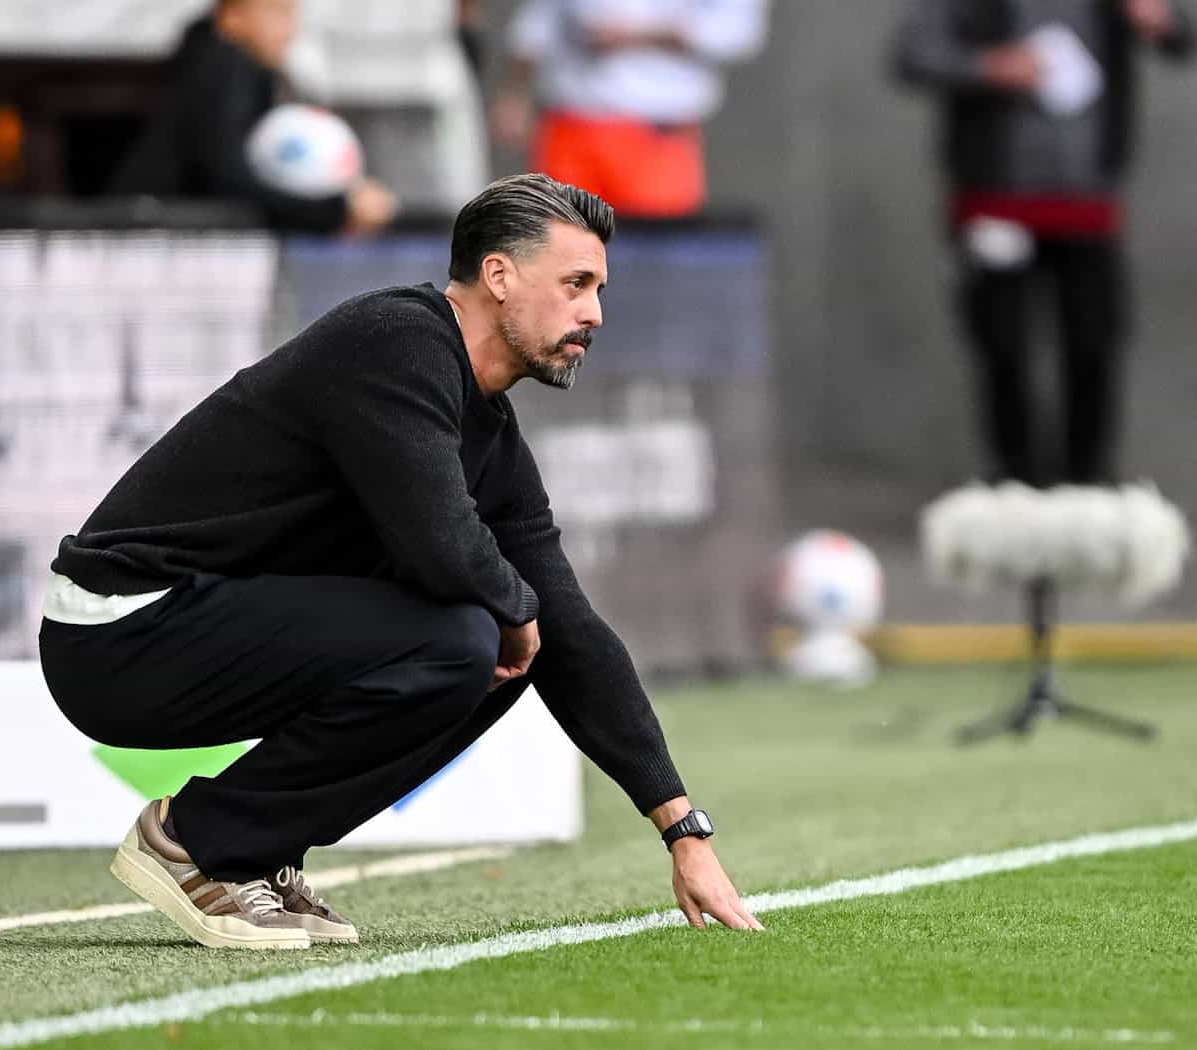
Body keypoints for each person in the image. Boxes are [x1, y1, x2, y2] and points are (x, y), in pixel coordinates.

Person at [38, 174, 763, 950]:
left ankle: (254, 849)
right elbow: (440, 539)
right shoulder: (397, 339)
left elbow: (573, 633)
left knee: (495, 652)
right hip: (121, 626)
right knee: (462, 638)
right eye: (576, 283)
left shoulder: (493, 439)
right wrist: (516, 612)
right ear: (498, 276)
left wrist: (682, 828)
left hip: (201, 625)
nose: (594, 312)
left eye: (598, 289)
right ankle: (194, 842)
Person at [894, 0, 1197, 486]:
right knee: (1002, 342)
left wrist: (1157, 18)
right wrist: (991, 66)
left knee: (1093, 341)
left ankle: (1088, 482)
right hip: (994, 199)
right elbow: (913, 53)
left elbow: (1185, 36)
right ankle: (1016, 482)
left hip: (1086, 202)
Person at [111, 0, 396, 235]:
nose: (289, 31)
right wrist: (336, 210)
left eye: (293, 16)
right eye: (277, 14)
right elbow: (230, 179)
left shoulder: (232, 69)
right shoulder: (225, 65)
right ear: (231, 18)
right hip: (157, 239)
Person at [493, 0, 768, 219]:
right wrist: (515, 91)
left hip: (656, 131)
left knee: (653, 263)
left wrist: (638, 35)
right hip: (571, 124)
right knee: (557, 257)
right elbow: (540, 20)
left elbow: (735, 30)